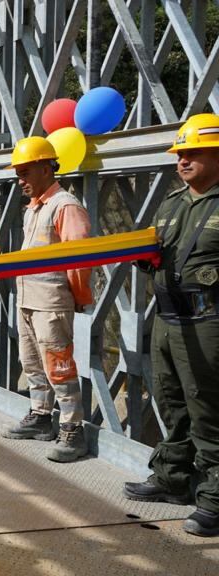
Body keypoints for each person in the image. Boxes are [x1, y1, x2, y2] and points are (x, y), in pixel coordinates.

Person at [123, 113, 219, 537]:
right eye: (179, 153)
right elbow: (161, 253)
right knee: (170, 399)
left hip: (207, 320)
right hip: (167, 316)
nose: (182, 160)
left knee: (207, 407)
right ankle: (173, 478)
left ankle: (214, 498)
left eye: (192, 152)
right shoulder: (172, 203)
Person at [0, 137, 93, 463]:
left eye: (25, 173)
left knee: (59, 367)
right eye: (18, 175)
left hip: (51, 301)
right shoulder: (34, 208)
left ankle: (72, 430)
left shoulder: (65, 206)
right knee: (31, 364)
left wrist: (80, 296)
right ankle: (40, 416)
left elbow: (78, 259)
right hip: (28, 298)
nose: (20, 181)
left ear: (44, 167)